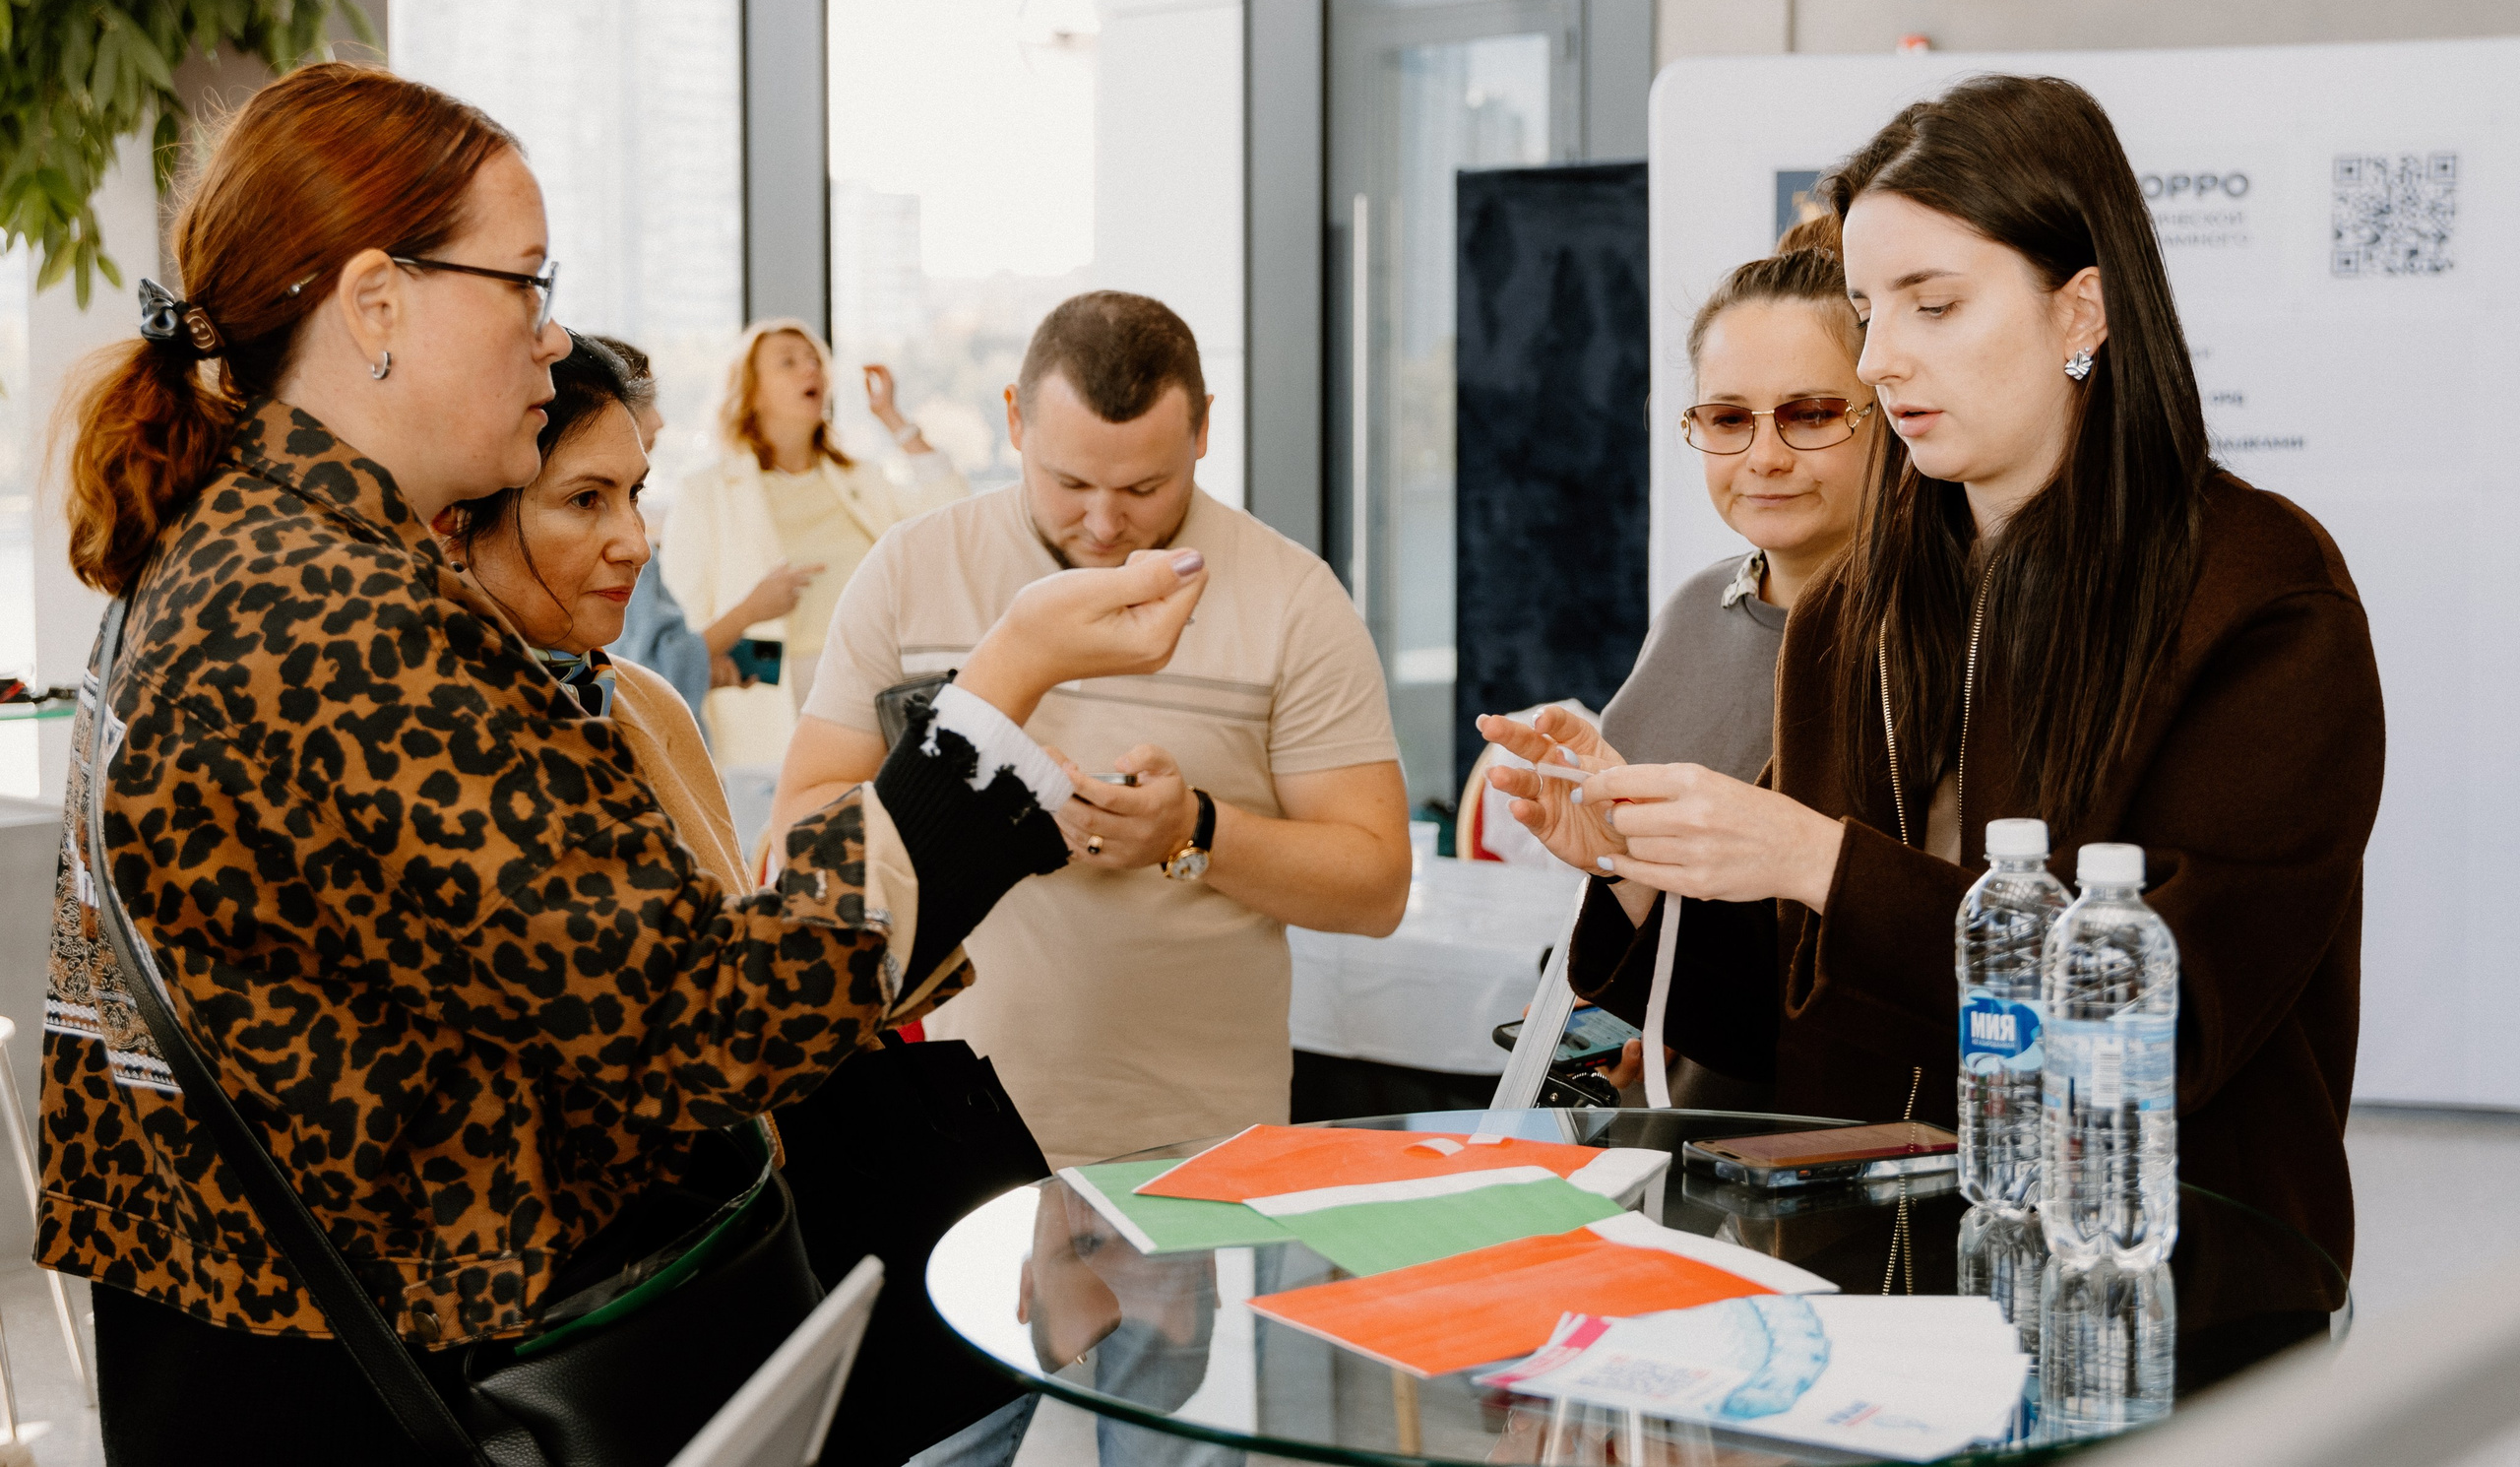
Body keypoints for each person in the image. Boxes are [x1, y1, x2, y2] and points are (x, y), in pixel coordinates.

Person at [38, 62, 1209, 1466]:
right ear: (375, 304)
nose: (550, 338)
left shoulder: (222, 557)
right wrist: (1004, 681)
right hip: (378, 1386)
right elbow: (701, 1017)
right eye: (525, 282)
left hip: (249, 1356)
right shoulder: (343, 613)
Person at [1486, 75, 2380, 1276]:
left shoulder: (2260, 597)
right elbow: (1776, 1033)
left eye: (1934, 305)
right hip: (1876, 1280)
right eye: (1866, 309)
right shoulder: (1855, 613)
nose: (1880, 359)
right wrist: (1640, 864)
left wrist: (1818, 863)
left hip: (2164, 1292)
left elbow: (2170, 1028)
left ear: (2082, 314)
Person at [775, 290, 1412, 1172]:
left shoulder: (1293, 597)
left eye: (1145, 487)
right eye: (1070, 483)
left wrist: (1194, 832)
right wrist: (974, 799)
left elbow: (1376, 885)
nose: (1106, 523)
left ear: (1203, 432)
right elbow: (798, 831)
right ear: (1014, 422)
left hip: (1207, 1143)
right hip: (950, 1129)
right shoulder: (909, 571)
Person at [1506, 217, 1873, 1109]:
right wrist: (1614, 864)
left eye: (1812, 415)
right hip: (1682, 1152)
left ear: (1893, 415)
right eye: (1728, 418)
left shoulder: (1942, 647)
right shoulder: (1692, 614)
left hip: (1864, 1153)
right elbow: (1658, 936)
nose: (1766, 456)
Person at [435, 331, 748, 884]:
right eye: (585, 500)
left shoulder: (652, 704)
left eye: (634, 496)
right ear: (455, 518)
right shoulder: (416, 720)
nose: (637, 545)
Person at [664, 318, 967, 769]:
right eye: (788, 362)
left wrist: (892, 419)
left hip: (868, 693)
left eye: (815, 361)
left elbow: (953, 513)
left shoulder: (861, 480)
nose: (810, 371)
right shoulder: (706, 493)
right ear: (751, 391)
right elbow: (683, 637)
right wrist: (753, 607)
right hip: (765, 711)